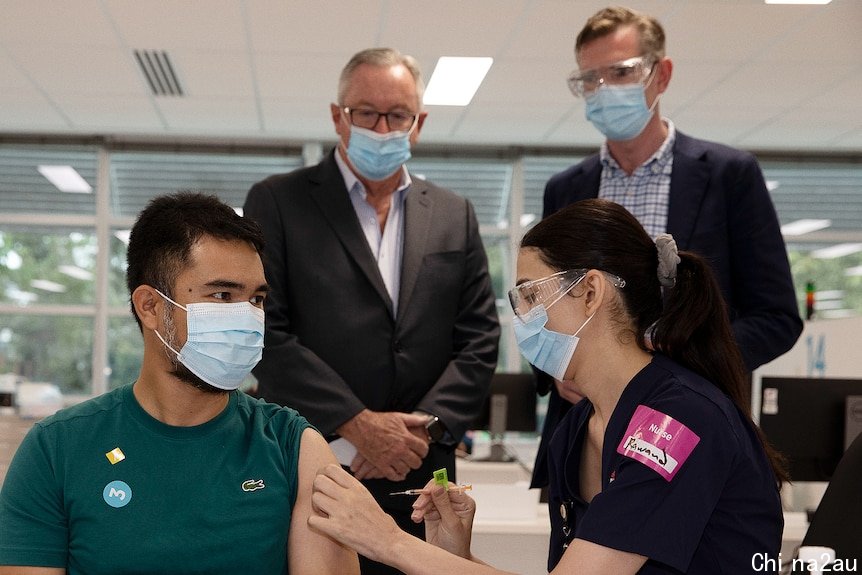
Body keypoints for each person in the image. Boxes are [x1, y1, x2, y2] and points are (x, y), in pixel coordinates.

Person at [307, 198, 787, 575]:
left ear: (590, 291)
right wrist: (456, 554)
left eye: (530, 293)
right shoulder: (578, 425)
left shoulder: (676, 422)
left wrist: (386, 541)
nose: (522, 316)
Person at [0, 192, 359, 575]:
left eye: (256, 299)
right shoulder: (59, 449)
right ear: (150, 307)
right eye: (222, 295)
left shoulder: (294, 447)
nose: (247, 317)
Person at [243, 47, 500, 574]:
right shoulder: (279, 201)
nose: (382, 127)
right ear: (338, 116)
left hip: (424, 477)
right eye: (366, 112)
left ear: (418, 123)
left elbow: (479, 338)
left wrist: (422, 429)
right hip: (316, 462)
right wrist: (356, 424)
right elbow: (267, 329)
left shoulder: (454, 213)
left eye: (398, 115)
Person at [534, 5, 802, 489]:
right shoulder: (566, 189)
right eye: (590, 80)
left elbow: (777, 317)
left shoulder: (728, 176)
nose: (605, 90)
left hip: (693, 423)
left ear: (663, 74)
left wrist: (686, 353)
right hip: (585, 434)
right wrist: (557, 367)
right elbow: (546, 307)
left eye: (622, 72)